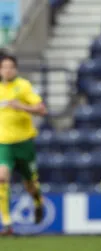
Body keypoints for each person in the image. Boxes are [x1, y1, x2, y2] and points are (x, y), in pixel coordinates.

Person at [0, 55, 47, 235]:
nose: (8, 70)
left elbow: (42, 109)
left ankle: (38, 202)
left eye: (11, 67)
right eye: (4, 67)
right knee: (2, 178)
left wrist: (21, 106)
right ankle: (6, 223)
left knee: (30, 184)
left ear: (16, 69)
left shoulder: (23, 86)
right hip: (4, 144)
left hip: (24, 143)